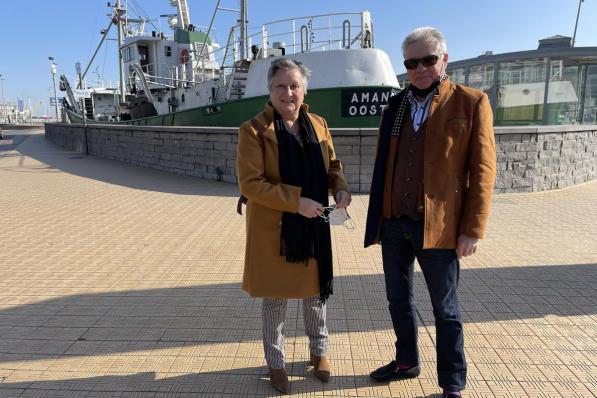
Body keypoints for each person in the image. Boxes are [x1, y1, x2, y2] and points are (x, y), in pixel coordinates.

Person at [364, 27, 497, 397]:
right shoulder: (395, 106)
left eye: (428, 59)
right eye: (411, 62)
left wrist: (473, 229)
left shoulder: (470, 102)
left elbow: (484, 171)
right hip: (394, 223)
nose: (420, 68)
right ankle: (406, 360)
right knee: (397, 299)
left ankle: (452, 382)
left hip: (438, 226)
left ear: (444, 60)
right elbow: (383, 162)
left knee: (446, 309)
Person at [236, 57, 351, 394]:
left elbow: (332, 164)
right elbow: (251, 184)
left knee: (316, 296)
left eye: (294, 85)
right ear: (270, 91)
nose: (288, 92)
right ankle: (276, 362)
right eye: (280, 86)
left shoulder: (318, 124)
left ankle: (319, 352)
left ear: (304, 89)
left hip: (313, 224)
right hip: (276, 231)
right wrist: (295, 202)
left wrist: (340, 187)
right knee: (276, 301)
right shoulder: (253, 131)